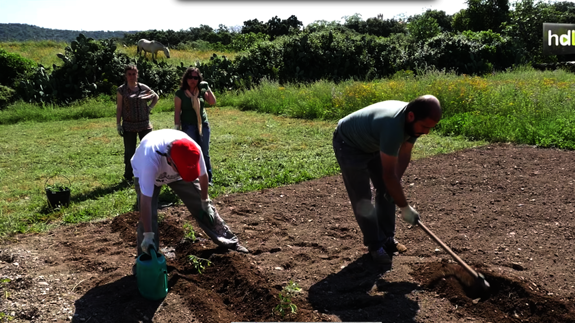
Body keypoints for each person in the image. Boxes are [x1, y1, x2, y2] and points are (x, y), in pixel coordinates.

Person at [332, 95, 442, 265]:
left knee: (388, 189)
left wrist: (395, 183)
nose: (426, 132)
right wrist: (405, 208)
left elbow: (405, 153)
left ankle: (387, 238)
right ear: (411, 116)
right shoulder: (393, 126)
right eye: (425, 127)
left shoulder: (413, 123)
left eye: (430, 128)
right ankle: (375, 245)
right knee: (363, 198)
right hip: (349, 144)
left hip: (374, 143)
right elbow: (388, 175)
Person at [131, 128, 249, 261]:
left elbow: (203, 176)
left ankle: (229, 242)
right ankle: (146, 260)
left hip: (178, 168)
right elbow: (146, 201)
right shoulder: (149, 160)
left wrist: (205, 201)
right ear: (170, 161)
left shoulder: (193, 151)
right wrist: (148, 234)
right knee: (148, 219)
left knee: (202, 206)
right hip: (150, 173)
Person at [116, 64, 159, 182]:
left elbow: (156, 96)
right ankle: (128, 176)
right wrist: (118, 124)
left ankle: (150, 174)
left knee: (148, 150)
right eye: (129, 74)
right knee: (130, 151)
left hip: (144, 124)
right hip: (129, 124)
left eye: (134, 74)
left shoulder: (142, 87)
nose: (131, 76)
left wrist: (149, 108)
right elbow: (119, 108)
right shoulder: (121, 90)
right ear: (126, 75)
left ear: (137, 74)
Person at [174, 67, 216, 184]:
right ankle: (193, 177)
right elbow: (177, 111)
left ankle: (208, 178)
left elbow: (212, 102)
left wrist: (208, 88)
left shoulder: (201, 91)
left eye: (196, 78)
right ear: (186, 78)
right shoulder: (180, 93)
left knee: (204, 152)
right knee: (192, 152)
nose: (193, 80)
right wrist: (177, 128)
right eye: (190, 77)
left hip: (203, 124)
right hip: (188, 126)